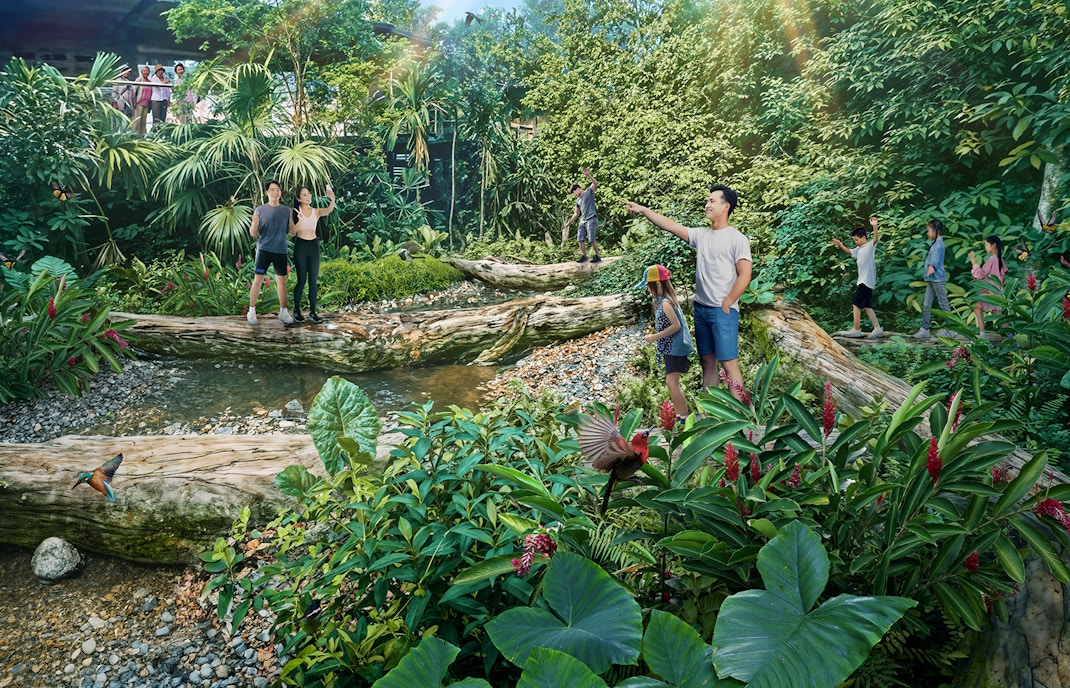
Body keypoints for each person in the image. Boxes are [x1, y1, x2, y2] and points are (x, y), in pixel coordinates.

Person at [622, 184, 752, 400]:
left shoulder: (737, 239)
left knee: (729, 364)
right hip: (701, 310)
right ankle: (712, 419)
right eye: (707, 200)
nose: (707, 204)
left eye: (712, 201)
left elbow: (745, 275)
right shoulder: (701, 235)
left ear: (726, 207)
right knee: (707, 362)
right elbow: (671, 225)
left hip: (723, 312)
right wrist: (643, 210)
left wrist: (728, 302)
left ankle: (741, 420)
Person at [639, 264, 693, 420]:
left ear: (657, 284)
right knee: (671, 382)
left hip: (675, 347)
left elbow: (676, 326)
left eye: (649, 286)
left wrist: (654, 337)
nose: (648, 290)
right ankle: (680, 415)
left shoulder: (665, 303)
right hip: (671, 347)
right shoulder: (660, 300)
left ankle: (684, 417)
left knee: (672, 382)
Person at [248, 180, 296, 326]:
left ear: (280, 192)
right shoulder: (260, 210)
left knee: (281, 281)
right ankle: (251, 311)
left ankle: (283, 311)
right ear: (267, 192)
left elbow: (293, 233)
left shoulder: (287, 211)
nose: (275, 193)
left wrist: (295, 221)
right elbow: (252, 233)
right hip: (264, 250)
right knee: (258, 280)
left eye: (278, 190)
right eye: (272, 190)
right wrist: (255, 222)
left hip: (280, 250)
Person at [831, 216, 884, 339]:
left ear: (863, 238)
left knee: (856, 304)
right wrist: (840, 244)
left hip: (866, 281)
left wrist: (875, 226)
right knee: (867, 306)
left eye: (856, 240)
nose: (855, 242)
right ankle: (877, 328)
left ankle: (856, 329)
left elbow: (876, 238)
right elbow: (849, 252)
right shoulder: (859, 249)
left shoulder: (869, 246)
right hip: (864, 281)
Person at [289, 184, 336, 323]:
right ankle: (296, 310)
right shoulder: (294, 213)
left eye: (309, 193)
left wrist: (332, 198)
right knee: (302, 280)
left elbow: (329, 210)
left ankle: (313, 312)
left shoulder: (316, 211)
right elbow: (292, 232)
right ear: (298, 198)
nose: (308, 196)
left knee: (313, 281)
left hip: (313, 246)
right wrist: (301, 220)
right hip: (301, 247)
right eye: (304, 194)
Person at [913, 218, 953, 339]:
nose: (927, 233)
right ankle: (925, 329)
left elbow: (935, 258)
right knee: (926, 304)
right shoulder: (936, 243)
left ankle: (951, 330)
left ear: (936, 231)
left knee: (943, 304)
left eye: (929, 231)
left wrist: (931, 266)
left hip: (937, 279)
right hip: (932, 279)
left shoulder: (939, 244)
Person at [968, 235, 1007, 337]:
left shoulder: (992, 259)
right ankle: (1010, 335)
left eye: (986, 245)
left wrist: (973, 260)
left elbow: (981, 274)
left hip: (988, 291)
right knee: (996, 312)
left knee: (978, 310)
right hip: (996, 290)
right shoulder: (999, 259)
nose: (985, 247)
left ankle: (983, 335)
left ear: (993, 245)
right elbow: (1003, 277)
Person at [562, 167, 602, 263]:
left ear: (578, 189)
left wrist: (588, 175)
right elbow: (576, 213)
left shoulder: (588, 192)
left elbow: (595, 183)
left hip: (591, 219)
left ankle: (597, 256)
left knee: (591, 239)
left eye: (574, 192)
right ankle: (584, 256)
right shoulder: (578, 200)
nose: (574, 194)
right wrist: (568, 223)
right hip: (583, 220)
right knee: (580, 238)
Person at [132, 65, 152, 134]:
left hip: (146, 104)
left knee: (144, 121)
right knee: (137, 120)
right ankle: (134, 134)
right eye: (144, 71)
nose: (146, 72)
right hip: (139, 103)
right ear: (141, 72)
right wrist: (134, 101)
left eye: (147, 71)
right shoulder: (139, 79)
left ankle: (142, 135)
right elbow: (134, 90)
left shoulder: (150, 82)